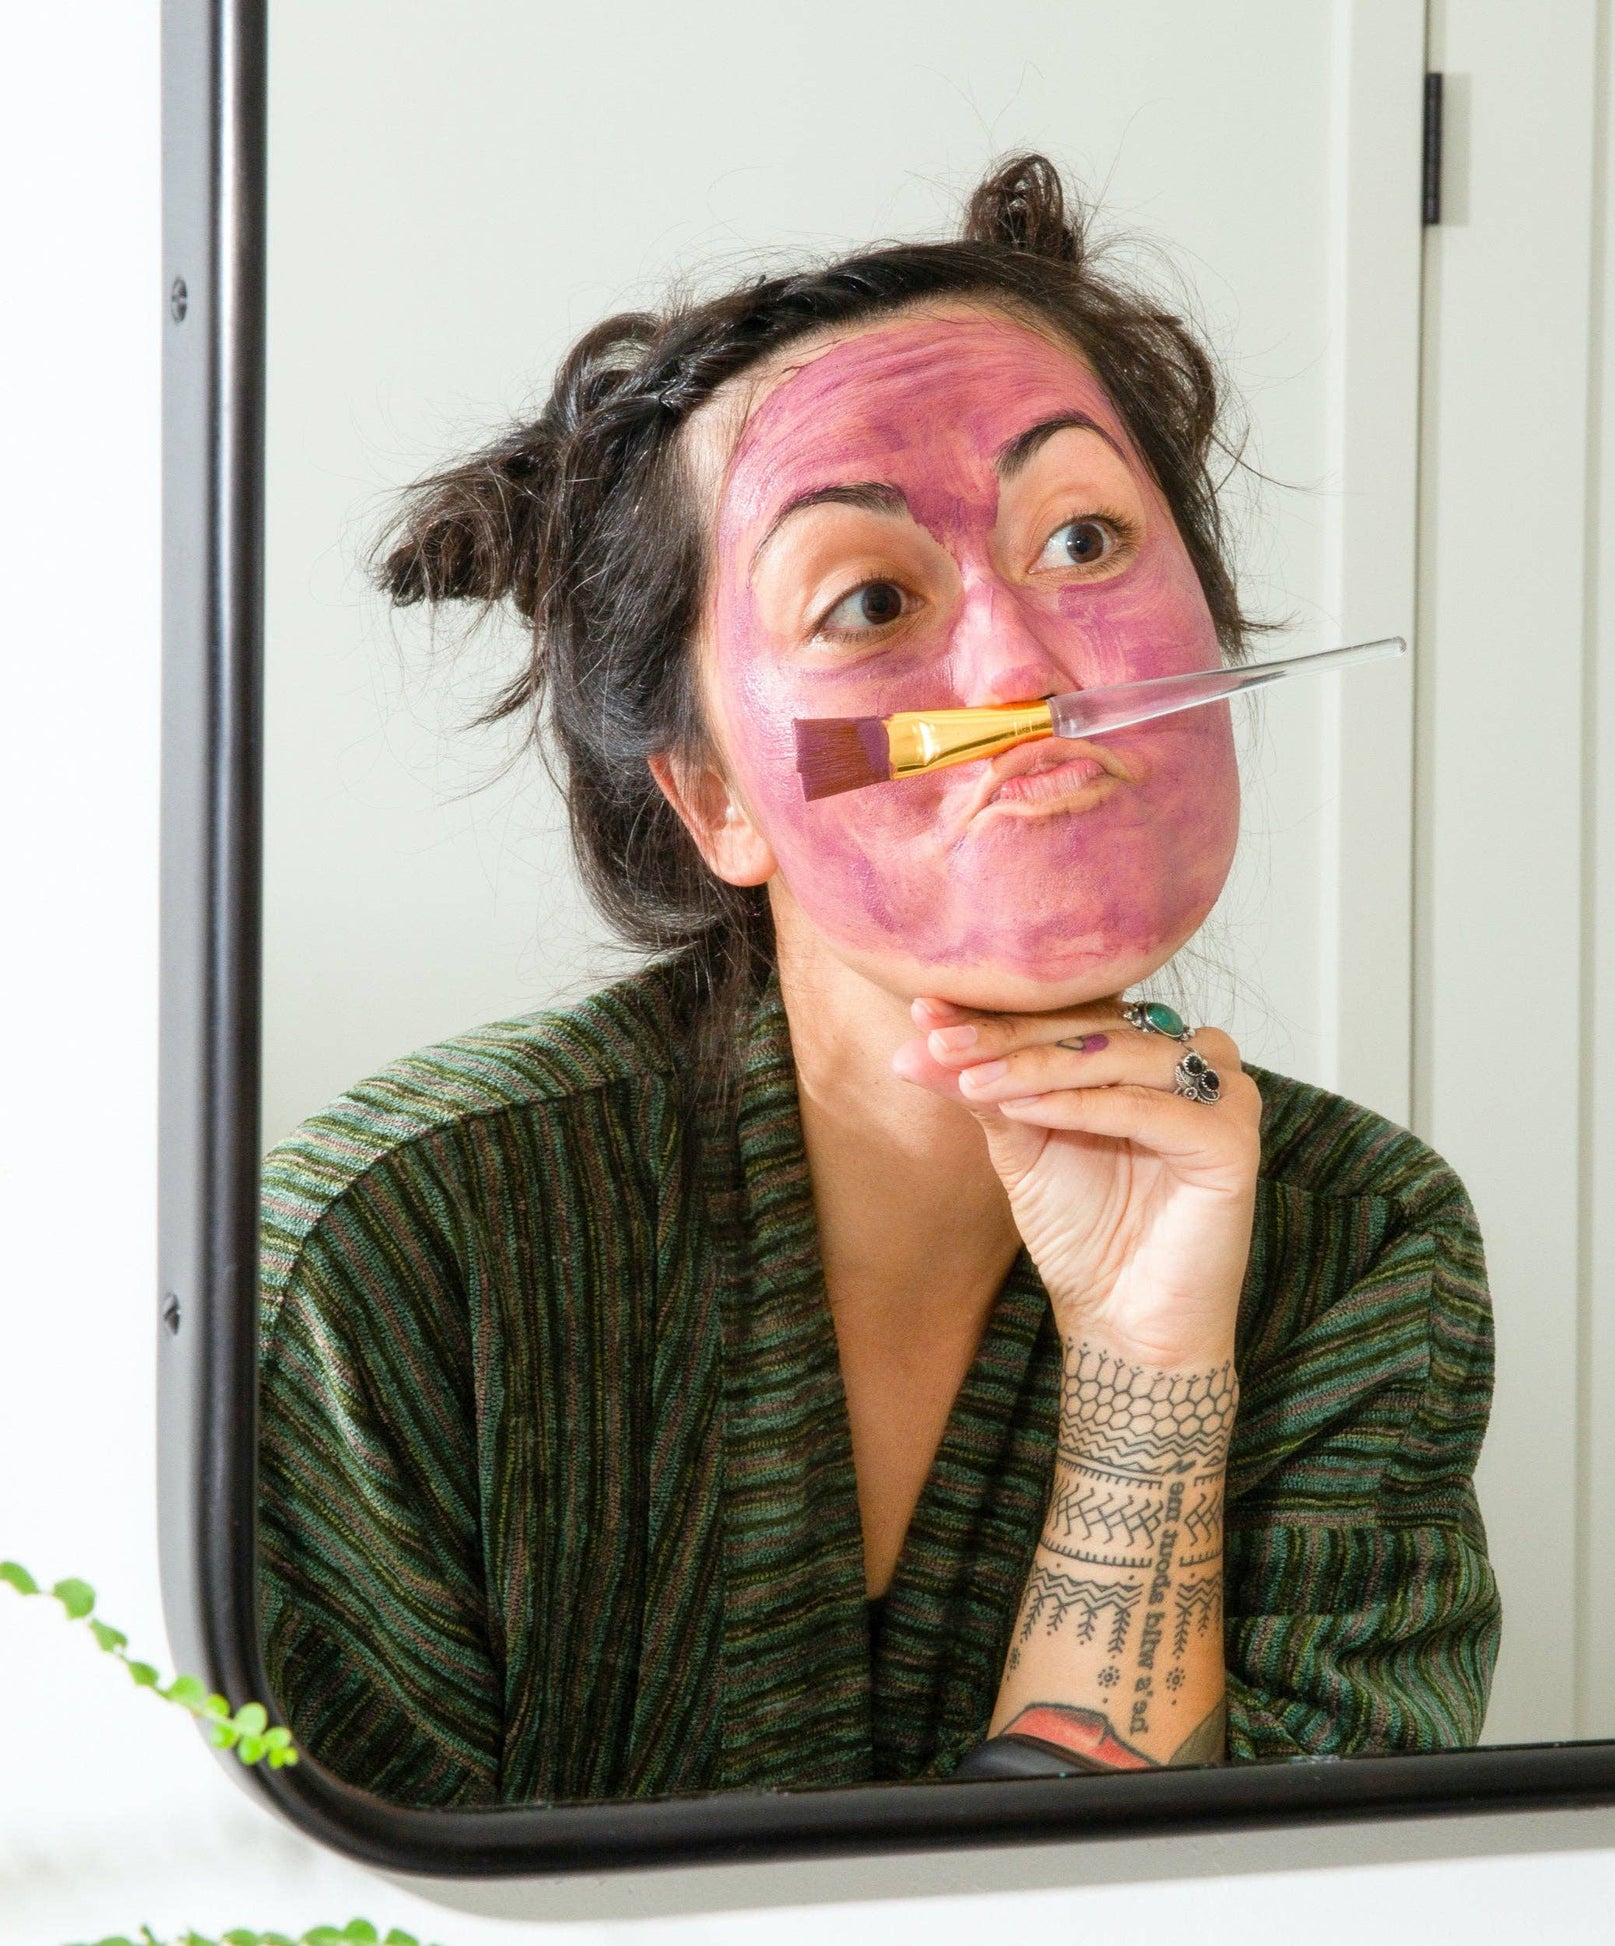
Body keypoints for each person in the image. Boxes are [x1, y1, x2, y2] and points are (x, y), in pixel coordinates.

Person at [257, 154, 1499, 1808]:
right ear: (709, 795)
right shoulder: (395, 1253)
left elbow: (1278, 1902)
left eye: (1082, 538)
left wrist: (1149, 1369)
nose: (1026, 674)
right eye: (867, 599)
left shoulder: (1356, 1240)